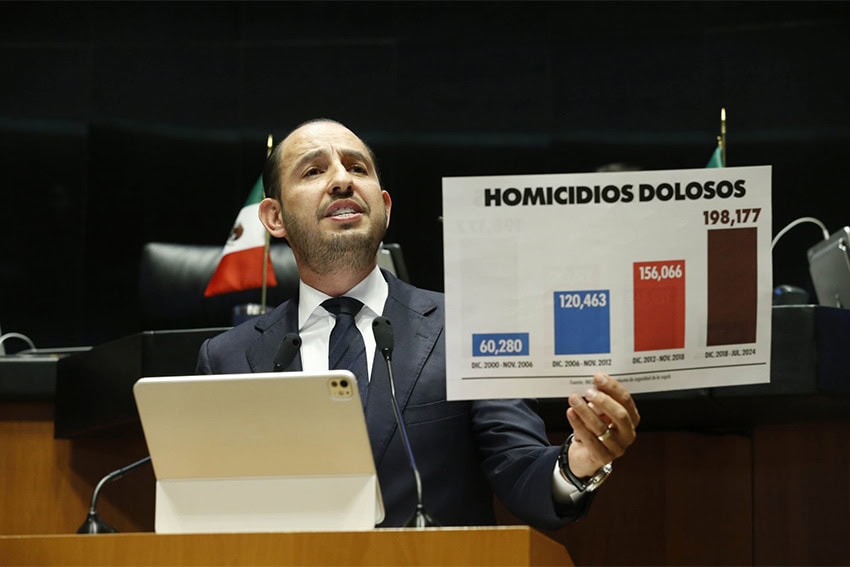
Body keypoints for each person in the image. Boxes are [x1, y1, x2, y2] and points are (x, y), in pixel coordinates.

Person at [196, 118, 640, 530]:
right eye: (313, 172)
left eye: (357, 167)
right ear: (274, 217)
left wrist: (578, 463)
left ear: (384, 207)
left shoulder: (468, 327)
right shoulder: (228, 358)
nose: (342, 180)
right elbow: (209, 516)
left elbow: (521, 470)